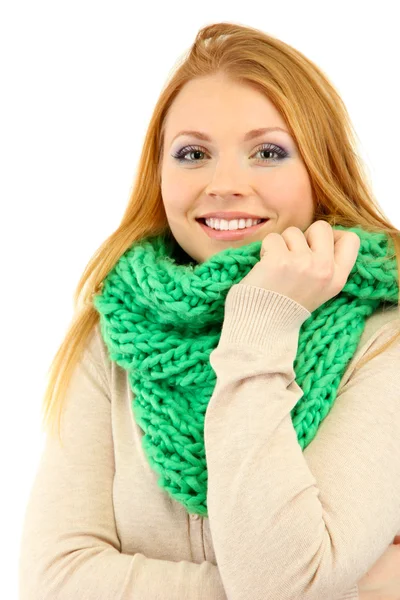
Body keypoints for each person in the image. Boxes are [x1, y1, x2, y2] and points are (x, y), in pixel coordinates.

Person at [19, 21, 400, 600]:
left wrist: (262, 322)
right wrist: (347, 590)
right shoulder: (116, 332)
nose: (224, 184)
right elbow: (54, 579)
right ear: (160, 173)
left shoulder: (385, 338)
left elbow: (283, 584)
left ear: (320, 171)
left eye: (268, 152)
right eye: (193, 153)